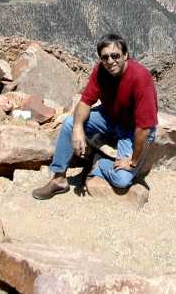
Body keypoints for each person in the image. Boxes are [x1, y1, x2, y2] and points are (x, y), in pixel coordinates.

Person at [32, 33, 158, 200]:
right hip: (110, 118)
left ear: (126, 55)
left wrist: (133, 161)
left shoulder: (140, 78)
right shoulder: (100, 71)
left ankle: (99, 162)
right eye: (105, 57)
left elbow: (144, 128)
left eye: (115, 56)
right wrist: (77, 128)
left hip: (133, 129)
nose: (110, 61)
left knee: (122, 180)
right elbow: (85, 102)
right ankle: (59, 179)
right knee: (70, 123)